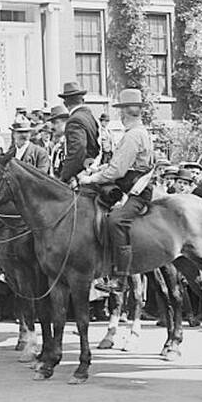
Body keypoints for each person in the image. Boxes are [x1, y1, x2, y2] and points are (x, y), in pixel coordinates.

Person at [78, 88, 155, 293]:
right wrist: (98, 169)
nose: (119, 115)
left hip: (135, 190)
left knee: (115, 220)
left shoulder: (132, 136)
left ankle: (120, 277)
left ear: (125, 113)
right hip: (126, 185)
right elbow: (118, 165)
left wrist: (90, 178)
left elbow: (118, 170)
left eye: (121, 111)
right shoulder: (134, 133)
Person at [55, 80, 100, 184]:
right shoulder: (90, 117)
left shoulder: (74, 120)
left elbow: (77, 150)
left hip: (79, 176)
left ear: (65, 103)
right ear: (82, 100)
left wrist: (65, 177)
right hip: (90, 168)